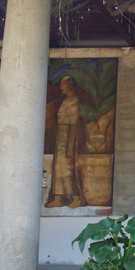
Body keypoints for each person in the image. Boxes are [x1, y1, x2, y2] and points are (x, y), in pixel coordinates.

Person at [46, 75, 82, 208]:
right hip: (61, 139)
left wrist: (70, 146)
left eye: (63, 84)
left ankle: (76, 197)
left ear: (70, 84)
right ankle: (58, 198)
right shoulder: (66, 100)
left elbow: (73, 125)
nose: (61, 87)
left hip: (68, 138)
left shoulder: (74, 101)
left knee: (67, 169)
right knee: (58, 169)